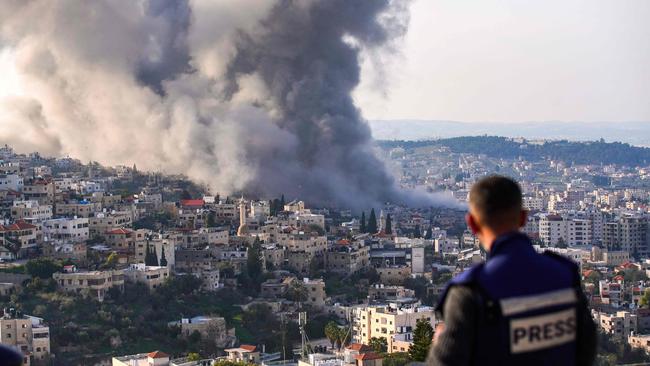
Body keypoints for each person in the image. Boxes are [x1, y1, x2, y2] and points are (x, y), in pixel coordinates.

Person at [427, 175, 596, 366]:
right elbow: (586, 349)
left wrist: (441, 343)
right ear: (523, 218)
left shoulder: (471, 292)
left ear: (472, 224)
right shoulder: (565, 274)